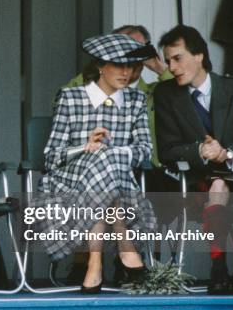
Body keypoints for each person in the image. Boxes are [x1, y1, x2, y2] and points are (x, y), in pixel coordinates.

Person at [38, 34, 156, 294]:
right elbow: (50, 156)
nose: (126, 73)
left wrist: (108, 152)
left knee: (106, 157)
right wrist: (85, 147)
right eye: (118, 65)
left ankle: (95, 263)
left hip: (115, 181)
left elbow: (144, 150)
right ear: (100, 66)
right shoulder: (71, 98)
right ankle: (126, 247)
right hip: (71, 182)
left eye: (130, 66)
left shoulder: (136, 101)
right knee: (101, 157)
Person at [154, 24, 233, 295]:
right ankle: (218, 268)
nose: (172, 67)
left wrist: (226, 154)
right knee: (218, 187)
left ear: (199, 55)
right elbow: (166, 151)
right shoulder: (166, 94)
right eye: (168, 61)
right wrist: (200, 151)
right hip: (199, 179)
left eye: (178, 58)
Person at [59, 24, 172, 167]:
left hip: (144, 171)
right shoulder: (84, 89)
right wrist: (98, 70)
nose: (129, 56)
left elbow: (182, 97)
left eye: (136, 49)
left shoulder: (153, 93)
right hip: (90, 166)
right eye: (121, 49)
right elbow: (63, 99)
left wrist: (158, 67)